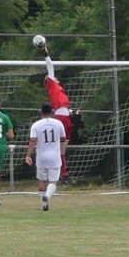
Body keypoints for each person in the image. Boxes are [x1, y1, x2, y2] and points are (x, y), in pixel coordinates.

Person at [40, 40, 74, 183]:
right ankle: (61, 174)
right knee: (60, 148)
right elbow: (50, 66)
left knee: (62, 149)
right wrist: (45, 51)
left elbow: (64, 107)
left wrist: (73, 111)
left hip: (65, 117)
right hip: (61, 118)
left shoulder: (58, 90)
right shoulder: (53, 83)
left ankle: (63, 174)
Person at [25, 103, 67, 211]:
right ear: (52, 112)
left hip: (41, 156)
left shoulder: (36, 125)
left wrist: (28, 155)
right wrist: (62, 152)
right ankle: (47, 197)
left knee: (42, 180)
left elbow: (32, 141)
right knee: (53, 181)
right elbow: (63, 139)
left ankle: (43, 204)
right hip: (54, 156)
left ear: (41, 112)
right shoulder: (58, 123)